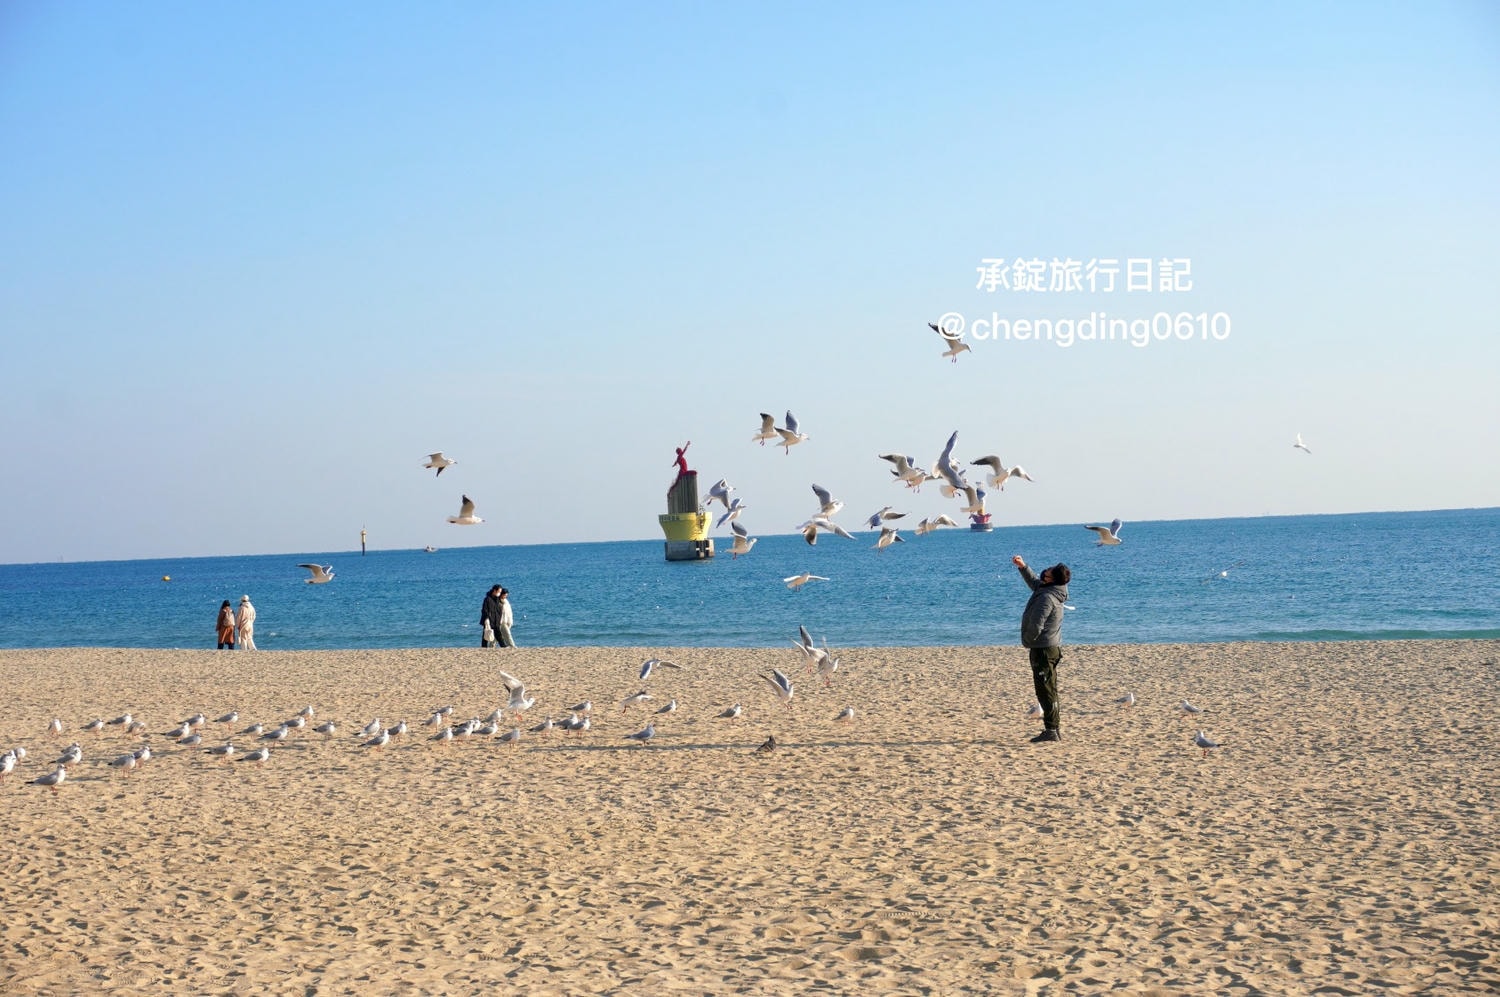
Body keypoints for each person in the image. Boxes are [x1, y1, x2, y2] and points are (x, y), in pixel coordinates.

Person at [1012, 555, 1070, 742]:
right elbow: (1035, 582)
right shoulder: (1052, 590)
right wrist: (1023, 567)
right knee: (1049, 689)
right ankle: (1054, 728)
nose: (1046, 571)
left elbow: (1037, 624)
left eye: (1049, 571)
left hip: (1043, 649)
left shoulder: (1047, 598)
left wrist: (1027, 641)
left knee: (1046, 690)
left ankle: (1051, 730)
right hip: (1049, 647)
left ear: (1051, 579)